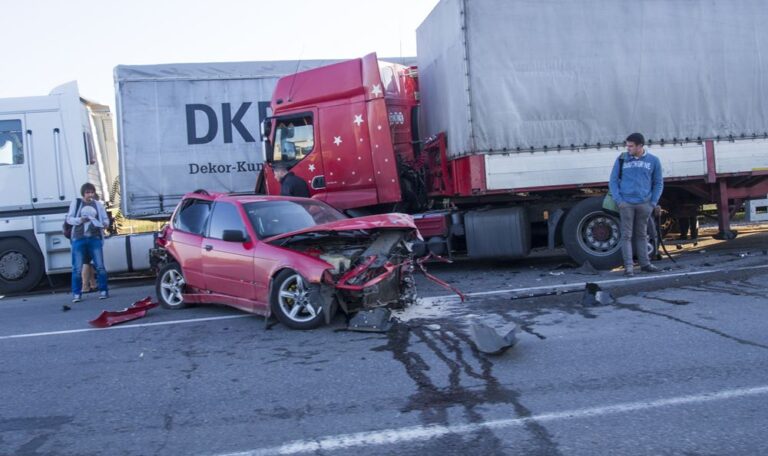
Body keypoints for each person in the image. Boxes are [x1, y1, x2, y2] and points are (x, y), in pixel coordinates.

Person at [608, 132, 664, 276]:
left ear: (640, 146)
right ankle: (629, 267)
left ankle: (645, 264)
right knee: (626, 235)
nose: (628, 148)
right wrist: (619, 201)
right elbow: (613, 180)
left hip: (645, 204)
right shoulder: (622, 159)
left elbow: (658, 183)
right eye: (627, 145)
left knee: (642, 235)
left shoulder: (653, 160)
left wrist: (652, 203)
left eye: (631, 146)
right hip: (626, 203)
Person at [66, 183, 110, 302]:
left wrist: (105, 224)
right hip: (79, 238)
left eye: (91, 192)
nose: (90, 195)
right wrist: (80, 220)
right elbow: (69, 219)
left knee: (100, 266)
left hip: (94, 237)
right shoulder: (77, 203)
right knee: (77, 267)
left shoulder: (98, 205)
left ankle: (103, 290)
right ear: (83, 193)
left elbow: (105, 219)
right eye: (87, 192)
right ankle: (76, 293)